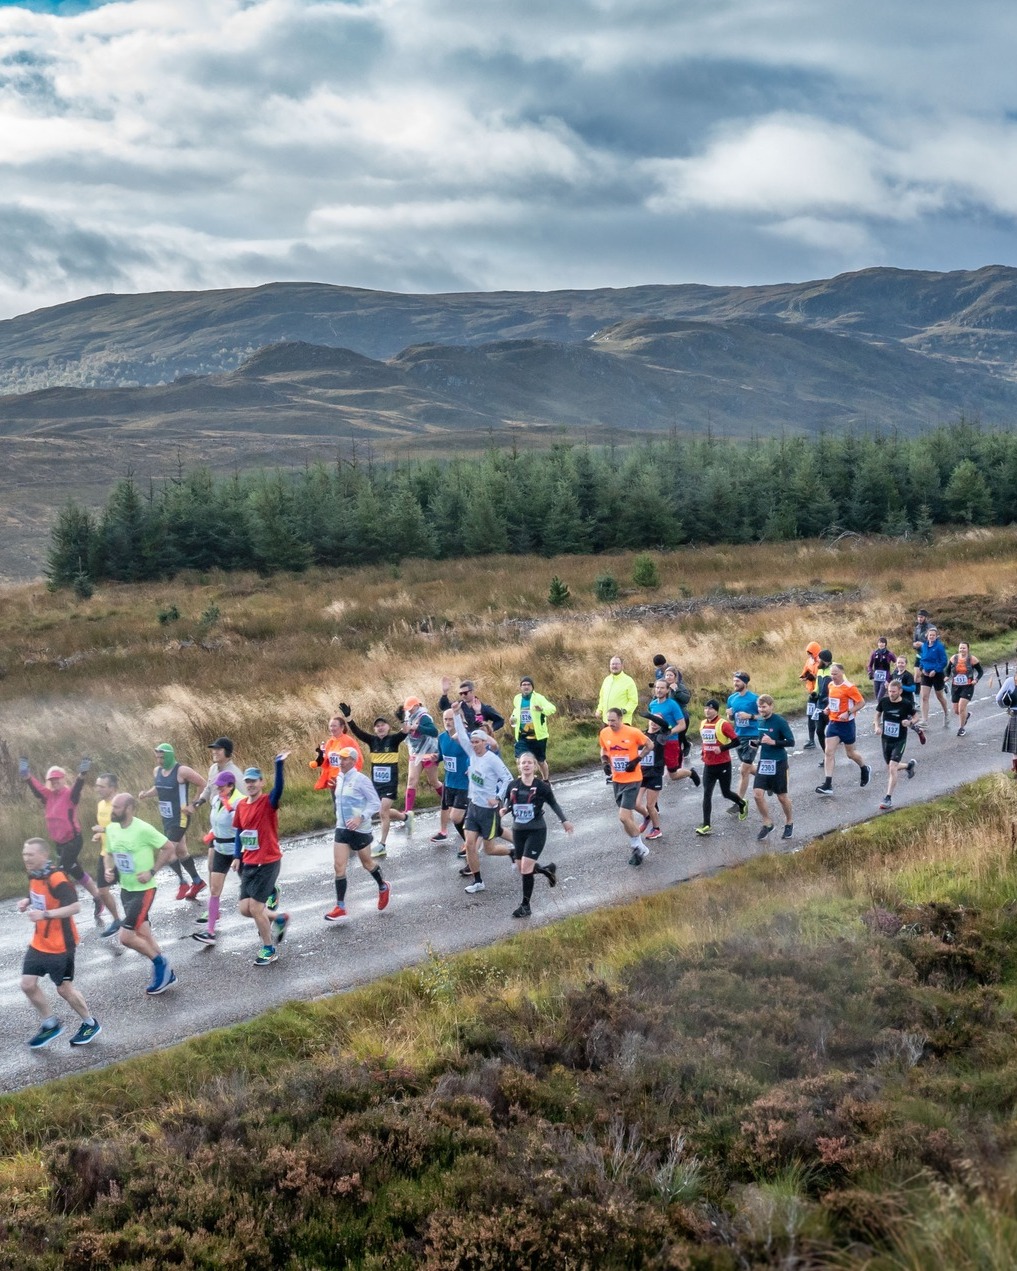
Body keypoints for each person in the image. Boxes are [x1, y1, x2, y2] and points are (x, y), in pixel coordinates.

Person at [19, 838, 101, 1048]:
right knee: (27, 984)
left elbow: (75, 907)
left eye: (30, 855)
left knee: (64, 990)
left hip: (61, 946)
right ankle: (50, 1024)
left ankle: (89, 1023)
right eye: (24, 854)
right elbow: (38, 892)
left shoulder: (57, 878)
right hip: (39, 942)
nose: (26, 858)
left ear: (44, 855)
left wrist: (44, 914)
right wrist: (27, 900)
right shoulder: (35, 874)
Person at [103, 793, 179, 994]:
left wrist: (152, 871)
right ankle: (167, 974)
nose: (113, 811)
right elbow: (109, 854)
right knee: (144, 933)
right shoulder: (111, 829)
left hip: (144, 891)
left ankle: (160, 963)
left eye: (117, 807)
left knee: (126, 937)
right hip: (126, 889)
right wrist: (109, 869)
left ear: (129, 808)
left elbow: (169, 847)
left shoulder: (143, 828)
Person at [20, 757, 104, 916]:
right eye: (51, 780)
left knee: (59, 873)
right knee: (77, 872)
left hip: (73, 841)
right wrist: (27, 775)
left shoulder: (69, 794)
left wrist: (82, 774)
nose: (54, 783)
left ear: (62, 779)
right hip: (59, 843)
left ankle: (62, 907)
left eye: (57, 779)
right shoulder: (48, 796)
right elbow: (36, 787)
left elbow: (78, 787)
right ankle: (98, 897)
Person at [232, 755, 292, 964]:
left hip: (268, 861)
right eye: (247, 781)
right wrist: (236, 856)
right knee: (244, 909)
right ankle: (279, 917)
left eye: (254, 781)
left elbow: (279, 789)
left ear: (261, 783)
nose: (250, 784)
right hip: (249, 862)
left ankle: (269, 949)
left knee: (256, 909)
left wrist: (278, 765)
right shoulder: (241, 805)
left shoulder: (268, 802)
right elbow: (240, 831)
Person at [502, 752, 574, 918]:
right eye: (523, 763)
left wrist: (565, 821)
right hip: (518, 830)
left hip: (536, 830)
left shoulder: (542, 787)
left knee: (526, 867)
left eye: (529, 763)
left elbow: (553, 804)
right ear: (518, 766)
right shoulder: (512, 785)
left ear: (534, 766)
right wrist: (503, 810)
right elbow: (509, 803)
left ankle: (525, 906)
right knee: (522, 868)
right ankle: (547, 870)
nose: (526, 765)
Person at [323, 748, 391, 921]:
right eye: (340, 759)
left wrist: (360, 818)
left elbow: (375, 803)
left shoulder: (361, 780)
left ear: (353, 761)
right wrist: (333, 789)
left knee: (367, 863)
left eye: (345, 759)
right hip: (342, 828)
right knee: (339, 866)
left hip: (360, 829)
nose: (341, 762)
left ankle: (383, 886)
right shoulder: (339, 778)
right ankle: (340, 906)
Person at [453, 705, 514, 892]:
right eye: (473, 742)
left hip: (488, 810)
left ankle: (514, 851)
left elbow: (508, 779)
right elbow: (462, 736)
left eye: (478, 742)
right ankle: (478, 881)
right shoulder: (471, 754)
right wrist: (456, 714)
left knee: (489, 849)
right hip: (473, 806)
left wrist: (497, 797)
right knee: (470, 844)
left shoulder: (492, 759)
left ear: (485, 743)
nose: (474, 745)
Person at [138, 744, 206, 901]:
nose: (160, 761)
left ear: (169, 756)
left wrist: (194, 804)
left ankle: (183, 883)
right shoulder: (157, 771)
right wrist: (146, 794)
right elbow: (159, 787)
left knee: (167, 849)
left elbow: (203, 783)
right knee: (181, 851)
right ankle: (197, 882)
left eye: (162, 757)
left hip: (180, 818)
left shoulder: (182, 771)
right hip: (166, 818)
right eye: (157, 757)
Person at [342, 704, 409, 856]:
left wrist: (403, 719)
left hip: (390, 784)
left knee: (382, 812)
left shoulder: (393, 740)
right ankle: (405, 817)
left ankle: (382, 844)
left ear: (388, 727)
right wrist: (348, 718)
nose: (380, 728)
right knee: (382, 811)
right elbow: (357, 732)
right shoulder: (372, 741)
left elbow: (405, 731)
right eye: (377, 726)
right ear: (374, 729)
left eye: (382, 725)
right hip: (376, 785)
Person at [190, 771, 246, 946]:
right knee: (215, 890)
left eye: (221, 786)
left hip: (238, 850)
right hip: (220, 849)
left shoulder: (241, 802)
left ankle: (269, 911)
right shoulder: (215, 800)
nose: (218, 788)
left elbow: (244, 828)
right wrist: (212, 837)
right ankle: (210, 932)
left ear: (231, 786)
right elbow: (215, 823)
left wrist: (238, 855)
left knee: (251, 892)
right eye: (217, 785)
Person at [598, 707, 652, 865]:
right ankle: (637, 847)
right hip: (617, 779)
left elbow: (650, 745)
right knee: (627, 818)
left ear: (621, 719)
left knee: (622, 817)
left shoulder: (633, 732)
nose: (610, 723)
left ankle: (639, 846)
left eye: (613, 720)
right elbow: (603, 749)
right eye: (608, 720)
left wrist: (637, 760)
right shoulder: (605, 733)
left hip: (633, 779)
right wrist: (604, 762)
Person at [815, 664, 869, 795]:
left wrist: (848, 712)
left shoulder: (849, 687)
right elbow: (833, 701)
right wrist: (828, 709)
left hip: (847, 724)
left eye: (835, 674)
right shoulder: (831, 686)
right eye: (831, 674)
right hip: (833, 722)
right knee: (828, 752)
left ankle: (864, 768)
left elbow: (861, 702)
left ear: (842, 673)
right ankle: (828, 784)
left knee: (850, 754)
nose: (833, 677)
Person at [695, 700, 744, 835]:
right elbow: (705, 741)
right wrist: (703, 752)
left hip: (723, 764)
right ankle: (706, 825)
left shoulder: (723, 724)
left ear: (716, 710)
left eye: (710, 709)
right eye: (705, 708)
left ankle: (742, 803)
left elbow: (737, 741)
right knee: (707, 794)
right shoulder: (703, 724)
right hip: (708, 765)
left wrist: (722, 748)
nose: (707, 711)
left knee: (725, 793)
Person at [751, 695, 795, 841]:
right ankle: (767, 823)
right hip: (764, 762)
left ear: (771, 706)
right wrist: (756, 743)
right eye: (759, 707)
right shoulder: (760, 720)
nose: (761, 710)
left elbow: (791, 742)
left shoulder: (780, 722)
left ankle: (789, 822)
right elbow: (761, 738)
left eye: (764, 707)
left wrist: (773, 742)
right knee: (757, 795)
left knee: (782, 797)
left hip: (779, 762)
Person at [873, 679, 919, 810]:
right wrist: (877, 726)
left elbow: (916, 717)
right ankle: (909, 766)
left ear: (900, 691)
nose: (891, 694)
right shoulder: (884, 701)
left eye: (894, 692)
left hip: (900, 740)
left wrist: (910, 722)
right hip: (886, 739)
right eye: (889, 691)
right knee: (890, 766)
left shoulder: (906, 704)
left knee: (892, 767)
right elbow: (877, 715)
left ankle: (888, 798)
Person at [646, 680, 699, 786]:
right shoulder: (652, 704)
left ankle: (690, 773)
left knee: (673, 775)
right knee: (652, 769)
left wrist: (669, 733)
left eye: (662, 688)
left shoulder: (672, 705)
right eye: (657, 688)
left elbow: (682, 725)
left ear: (667, 690)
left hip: (671, 742)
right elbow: (652, 721)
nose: (659, 690)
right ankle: (653, 798)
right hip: (657, 742)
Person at [90, 772, 123, 938]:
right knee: (102, 891)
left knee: (131, 889)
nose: (98, 789)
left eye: (102, 786)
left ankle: (140, 919)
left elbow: (124, 828)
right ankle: (117, 920)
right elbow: (107, 827)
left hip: (122, 852)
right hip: (106, 852)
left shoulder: (120, 805)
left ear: (112, 787)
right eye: (97, 786)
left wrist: (102, 830)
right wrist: (100, 835)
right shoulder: (100, 805)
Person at [399, 696, 441, 822]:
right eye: (408, 709)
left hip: (429, 752)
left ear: (417, 706)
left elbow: (434, 732)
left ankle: (448, 802)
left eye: (411, 708)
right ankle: (408, 812)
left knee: (433, 781)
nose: (410, 711)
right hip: (416, 753)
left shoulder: (424, 717)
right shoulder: (407, 718)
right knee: (411, 781)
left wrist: (418, 728)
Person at [433, 708, 471, 846]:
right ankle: (469, 842)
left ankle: (470, 843)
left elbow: (475, 755)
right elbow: (442, 756)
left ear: (458, 720)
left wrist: (472, 766)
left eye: (451, 719)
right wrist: (435, 757)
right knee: (456, 817)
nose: (448, 722)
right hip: (449, 783)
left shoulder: (466, 738)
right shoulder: (442, 737)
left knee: (455, 817)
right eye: (445, 719)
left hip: (464, 784)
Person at [508, 676, 557, 780]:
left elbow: (552, 708)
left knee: (540, 761)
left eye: (528, 685)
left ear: (532, 687)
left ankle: (545, 780)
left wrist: (542, 709)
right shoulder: (517, 698)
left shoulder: (539, 698)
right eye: (524, 685)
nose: (526, 687)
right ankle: (525, 780)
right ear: (520, 687)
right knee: (520, 759)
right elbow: (516, 711)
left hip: (538, 736)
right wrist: (512, 718)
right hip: (522, 736)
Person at [185, 737, 245, 820]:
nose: (214, 752)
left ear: (227, 752)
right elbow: (209, 788)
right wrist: (200, 801)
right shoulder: (213, 769)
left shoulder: (235, 773)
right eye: (213, 749)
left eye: (218, 749)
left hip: (230, 816)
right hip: (216, 812)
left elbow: (244, 798)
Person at [309, 715, 364, 798]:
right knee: (336, 806)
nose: (332, 728)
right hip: (333, 779)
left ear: (342, 727)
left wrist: (350, 776)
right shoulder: (330, 742)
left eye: (334, 726)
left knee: (346, 805)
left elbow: (358, 760)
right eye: (330, 726)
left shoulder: (348, 741)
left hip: (345, 779)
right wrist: (320, 759)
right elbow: (326, 762)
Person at [726, 671, 760, 807]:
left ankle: (739, 802)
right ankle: (768, 779)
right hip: (739, 736)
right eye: (734, 681)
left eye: (738, 681)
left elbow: (763, 715)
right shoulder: (731, 698)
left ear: (745, 683)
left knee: (744, 769)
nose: (735, 683)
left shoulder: (754, 699)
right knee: (748, 767)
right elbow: (732, 718)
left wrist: (750, 716)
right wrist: (729, 715)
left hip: (753, 736)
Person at [635, 715, 668, 840]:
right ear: (648, 721)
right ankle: (647, 817)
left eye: (657, 721)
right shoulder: (641, 735)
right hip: (641, 775)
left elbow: (666, 726)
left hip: (655, 775)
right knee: (635, 803)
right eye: (652, 720)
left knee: (650, 805)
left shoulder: (662, 736)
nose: (654, 723)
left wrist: (649, 714)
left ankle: (656, 829)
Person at [439, 678, 505, 737]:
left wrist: (489, 730)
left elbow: (500, 720)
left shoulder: (483, 708)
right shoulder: (459, 706)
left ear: (472, 692)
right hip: (463, 740)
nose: (463, 696)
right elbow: (444, 707)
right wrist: (445, 693)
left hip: (478, 740)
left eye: (465, 693)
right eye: (461, 693)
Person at [917, 625, 950, 728]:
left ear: (936, 636)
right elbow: (922, 659)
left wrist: (935, 670)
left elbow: (944, 661)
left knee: (939, 696)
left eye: (933, 635)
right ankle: (925, 720)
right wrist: (922, 668)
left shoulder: (939, 647)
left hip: (937, 674)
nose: (931, 637)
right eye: (930, 635)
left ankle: (946, 713)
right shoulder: (924, 646)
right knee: (924, 697)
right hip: (926, 674)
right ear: (927, 636)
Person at [947, 642, 983, 736]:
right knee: (956, 710)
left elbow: (980, 671)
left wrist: (976, 679)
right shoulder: (954, 658)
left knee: (961, 707)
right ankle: (966, 716)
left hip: (968, 686)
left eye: (964, 648)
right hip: (955, 686)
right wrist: (946, 676)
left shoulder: (972, 659)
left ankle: (961, 728)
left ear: (968, 649)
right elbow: (947, 669)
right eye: (960, 648)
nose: (962, 650)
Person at [597, 656, 639, 726]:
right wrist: (599, 710)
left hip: (622, 722)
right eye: (612, 664)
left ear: (622, 666)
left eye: (617, 664)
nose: (614, 666)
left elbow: (633, 701)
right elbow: (602, 697)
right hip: (607, 721)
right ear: (609, 666)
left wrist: (624, 710)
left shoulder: (629, 681)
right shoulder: (607, 680)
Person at [800, 641, 822, 749]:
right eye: (808, 653)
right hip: (811, 693)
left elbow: (825, 677)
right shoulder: (808, 661)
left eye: (811, 653)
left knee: (824, 718)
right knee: (810, 716)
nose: (809, 655)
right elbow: (804, 672)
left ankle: (838, 735)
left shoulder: (822, 662)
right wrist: (804, 676)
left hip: (821, 694)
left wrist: (814, 677)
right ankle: (812, 740)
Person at [996, 664, 1017, 776]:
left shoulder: (1010, 681)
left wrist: (1006, 706)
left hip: (1014, 716)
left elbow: (999, 698)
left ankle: (1015, 771)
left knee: (1015, 749)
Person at [812, 651, 834, 758]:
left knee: (833, 733)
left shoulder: (834, 670)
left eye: (819, 659)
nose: (817, 661)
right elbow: (817, 687)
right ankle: (827, 756)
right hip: (820, 706)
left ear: (824, 660)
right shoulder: (820, 671)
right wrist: (814, 693)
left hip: (830, 706)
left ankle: (831, 752)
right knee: (819, 731)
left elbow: (842, 685)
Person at [866, 637, 897, 702]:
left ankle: (882, 710)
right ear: (877, 644)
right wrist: (870, 672)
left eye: (883, 642)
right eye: (880, 642)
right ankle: (883, 710)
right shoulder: (874, 653)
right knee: (877, 697)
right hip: (876, 678)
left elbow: (897, 663)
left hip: (885, 678)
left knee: (880, 697)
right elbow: (870, 665)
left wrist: (892, 675)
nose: (881, 644)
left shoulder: (889, 654)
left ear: (885, 644)